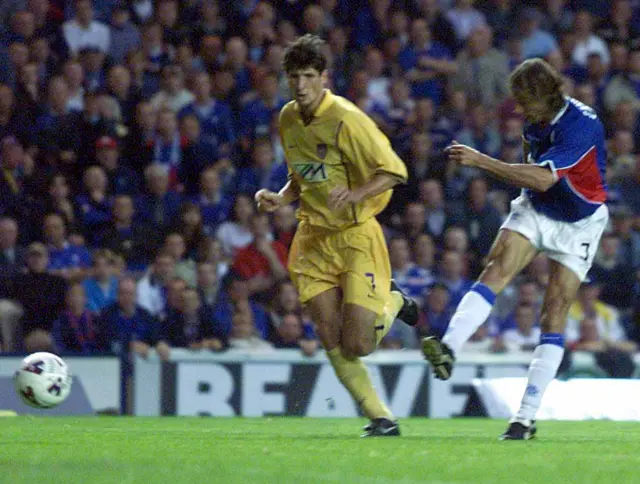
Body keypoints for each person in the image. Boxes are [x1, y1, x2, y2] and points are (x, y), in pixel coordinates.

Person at [421, 58, 609, 440]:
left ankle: (524, 417)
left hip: (580, 222)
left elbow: (542, 177)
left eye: (525, 101)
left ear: (547, 96)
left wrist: (479, 160)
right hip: (538, 209)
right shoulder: (535, 120)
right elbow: (534, 176)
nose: (519, 109)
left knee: (554, 311)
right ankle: (450, 349)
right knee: (497, 267)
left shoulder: (581, 125)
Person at [255, 34, 418, 437]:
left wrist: (358, 194)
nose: (301, 85)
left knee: (359, 343)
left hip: (355, 236)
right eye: (294, 76)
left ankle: (394, 301)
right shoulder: (288, 118)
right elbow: (303, 173)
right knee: (331, 337)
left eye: (309, 76)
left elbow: (396, 170)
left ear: (324, 77)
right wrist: (280, 197)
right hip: (312, 239)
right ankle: (381, 418)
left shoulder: (347, 118)